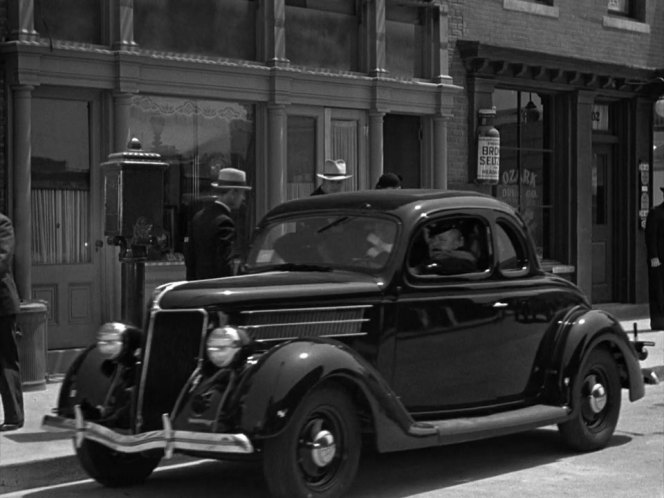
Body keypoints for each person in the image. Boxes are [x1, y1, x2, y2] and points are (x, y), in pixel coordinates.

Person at [185, 168, 251, 280]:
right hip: (216, 289)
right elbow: (224, 264)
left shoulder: (198, 217)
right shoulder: (225, 222)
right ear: (232, 193)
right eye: (241, 193)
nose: (243, 198)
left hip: (197, 287)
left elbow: (189, 258)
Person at [0, 213, 23, 431]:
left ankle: (14, 417)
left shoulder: (3, 223)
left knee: (6, 360)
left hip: (2, 305)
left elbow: (3, 260)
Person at [645, 189, 664, 330]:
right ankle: (658, 321)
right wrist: (654, 256)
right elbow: (650, 237)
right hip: (659, 260)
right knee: (658, 290)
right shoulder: (655, 213)